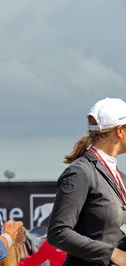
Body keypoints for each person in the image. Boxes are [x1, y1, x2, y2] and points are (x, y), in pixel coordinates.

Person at [47, 98, 126, 265]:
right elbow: (58, 232)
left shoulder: (119, 176)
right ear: (119, 131)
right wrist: (112, 254)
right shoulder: (80, 172)